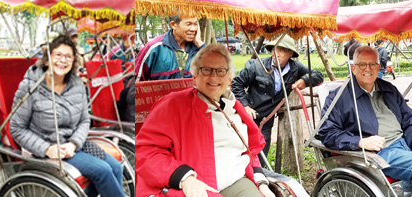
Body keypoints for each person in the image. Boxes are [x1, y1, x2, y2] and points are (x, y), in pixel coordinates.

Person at [319, 45, 412, 197]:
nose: (368, 69)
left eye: (372, 64)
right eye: (362, 64)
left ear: (379, 67)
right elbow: (327, 133)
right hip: (380, 152)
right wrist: (359, 141)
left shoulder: (388, 89)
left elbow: (410, 120)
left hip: (405, 140)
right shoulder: (338, 97)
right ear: (353, 68)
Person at [136, 44, 275, 197]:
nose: (214, 77)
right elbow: (146, 151)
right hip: (197, 185)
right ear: (195, 75)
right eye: (206, 70)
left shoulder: (234, 107)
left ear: (229, 78)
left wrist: (261, 182)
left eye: (221, 71)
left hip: (237, 181)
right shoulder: (172, 105)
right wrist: (185, 178)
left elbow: (249, 151)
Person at [9, 35, 125, 197]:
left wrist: (73, 143)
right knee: (103, 170)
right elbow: (16, 127)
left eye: (68, 56)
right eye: (58, 55)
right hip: (44, 149)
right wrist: (47, 149)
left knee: (116, 167)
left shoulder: (77, 84)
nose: (62, 60)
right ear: (47, 59)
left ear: (73, 62)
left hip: (74, 146)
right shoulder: (30, 85)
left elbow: (85, 120)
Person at [231, 36, 323, 155]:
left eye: (281, 50)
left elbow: (318, 75)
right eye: (274, 49)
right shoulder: (257, 65)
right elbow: (236, 83)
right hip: (247, 118)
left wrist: (304, 80)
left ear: (290, 53)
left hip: (266, 120)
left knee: (261, 155)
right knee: (242, 153)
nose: (276, 54)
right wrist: (245, 106)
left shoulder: (295, 68)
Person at [135, 15, 205, 81]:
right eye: (188, 24)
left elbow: (213, 74)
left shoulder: (200, 50)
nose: (194, 29)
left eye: (195, 24)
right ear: (174, 25)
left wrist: (199, 43)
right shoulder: (154, 48)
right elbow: (136, 81)